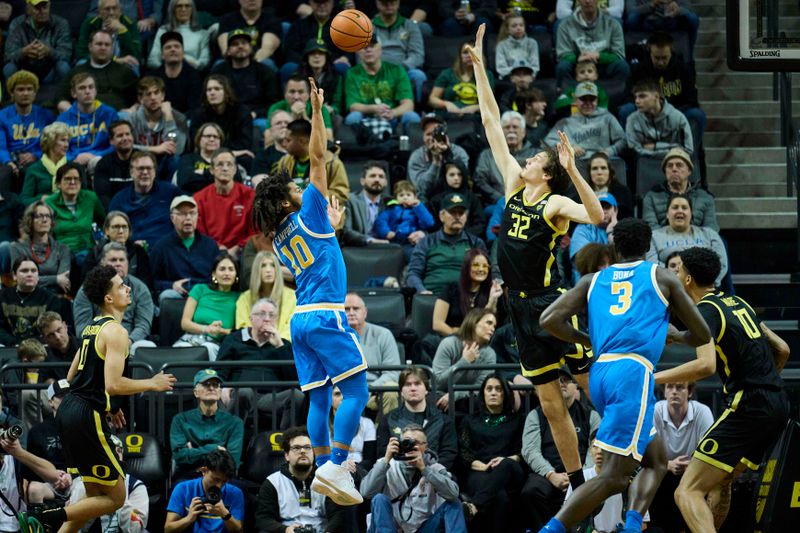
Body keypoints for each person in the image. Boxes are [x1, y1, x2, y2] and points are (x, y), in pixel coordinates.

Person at [468, 23, 603, 491]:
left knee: (592, 391)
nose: (525, 160)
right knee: (550, 406)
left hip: (553, 303)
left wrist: (573, 169)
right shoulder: (513, 186)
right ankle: (579, 483)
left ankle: (631, 452)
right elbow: (490, 123)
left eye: (534, 162)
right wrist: (481, 70)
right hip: (521, 309)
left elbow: (597, 214)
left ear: (546, 175)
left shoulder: (553, 203)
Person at [536, 218, 711, 533]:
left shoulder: (592, 279)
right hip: (632, 372)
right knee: (614, 476)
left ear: (615, 247)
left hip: (600, 372)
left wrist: (589, 339)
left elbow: (549, 319)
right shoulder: (660, 276)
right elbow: (701, 333)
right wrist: (674, 335)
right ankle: (551, 530)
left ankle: (631, 525)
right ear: (648, 248)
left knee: (656, 458)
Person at [251, 79, 368, 506]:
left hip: (299, 318)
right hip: (325, 313)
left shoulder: (281, 233)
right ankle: (338, 464)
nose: (301, 187)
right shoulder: (309, 211)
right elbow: (318, 156)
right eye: (293, 188)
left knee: (319, 395)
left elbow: (320, 248)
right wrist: (318, 112)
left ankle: (321, 467)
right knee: (357, 393)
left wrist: (333, 227)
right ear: (285, 201)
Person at [654, 246, 791, 533]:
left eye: (678, 270)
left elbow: (705, 366)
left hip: (749, 404)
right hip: (777, 403)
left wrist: (654, 379)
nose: (675, 274)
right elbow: (782, 349)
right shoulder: (738, 302)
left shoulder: (703, 310)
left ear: (687, 279)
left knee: (686, 491)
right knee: (720, 480)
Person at [31, 265, 175, 532]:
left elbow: (73, 374)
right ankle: (47, 515)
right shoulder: (116, 332)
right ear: (108, 298)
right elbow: (113, 383)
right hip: (86, 416)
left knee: (93, 497)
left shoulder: (91, 327)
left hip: (71, 410)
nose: (128, 287)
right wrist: (152, 383)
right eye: (121, 285)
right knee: (115, 498)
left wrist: (108, 406)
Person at [521, 368, 601, 531]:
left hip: (582, 473)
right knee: (531, 491)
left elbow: (596, 448)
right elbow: (530, 450)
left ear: (576, 386)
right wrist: (550, 474)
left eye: (566, 380)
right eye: (557, 380)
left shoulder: (591, 415)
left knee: (590, 488)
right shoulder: (535, 415)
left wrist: (582, 474)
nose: (561, 383)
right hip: (549, 474)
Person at [360, 422, 466, 532]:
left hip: (423, 528)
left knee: (454, 503)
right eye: (406, 442)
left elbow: (453, 494)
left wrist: (425, 470)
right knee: (379, 499)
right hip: (392, 527)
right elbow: (366, 493)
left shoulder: (435, 468)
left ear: (425, 447)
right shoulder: (386, 464)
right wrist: (386, 459)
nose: (410, 446)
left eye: (416, 443)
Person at [256, 426, 357, 533]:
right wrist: (285, 530)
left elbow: (338, 514)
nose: (303, 451)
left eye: (308, 447)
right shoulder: (273, 482)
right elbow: (263, 518)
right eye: (296, 448)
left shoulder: (327, 479)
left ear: (314, 453)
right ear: (286, 455)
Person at [458, 373, 526, 527]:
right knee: (499, 497)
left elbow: (524, 452)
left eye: (498, 389)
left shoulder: (518, 420)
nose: (494, 392)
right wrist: (484, 467)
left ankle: (473, 506)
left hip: (511, 471)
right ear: (483, 394)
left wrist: (505, 461)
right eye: (489, 389)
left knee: (506, 464)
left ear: (505, 394)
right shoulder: (470, 421)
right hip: (479, 470)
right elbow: (464, 453)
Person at [217, 298, 303, 421]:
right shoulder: (234, 339)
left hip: (271, 398)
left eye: (272, 315)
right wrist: (223, 386)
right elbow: (220, 370)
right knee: (244, 392)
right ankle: (232, 437)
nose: (267, 319)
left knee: (297, 396)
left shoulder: (284, 345)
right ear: (251, 318)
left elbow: (294, 379)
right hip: (240, 394)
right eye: (262, 314)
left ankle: (287, 439)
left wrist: (279, 346)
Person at [648, 381, 714, 533]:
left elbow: (710, 455)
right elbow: (646, 453)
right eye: (669, 387)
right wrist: (668, 465)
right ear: (664, 393)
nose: (674, 392)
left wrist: (692, 465)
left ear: (689, 392)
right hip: (662, 471)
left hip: (694, 471)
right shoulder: (656, 411)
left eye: (680, 387)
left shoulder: (702, 412)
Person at [621, 31, 705, 149]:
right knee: (626, 110)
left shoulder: (684, 69)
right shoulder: (639, 70)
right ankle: (633, 157)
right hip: (645, 114)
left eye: (664, 58)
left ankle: (689, 153)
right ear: (650, 51)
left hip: (675, 113)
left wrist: (670, 113)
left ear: (671, 51)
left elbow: (691, 100)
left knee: (697, 114)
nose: (660, 62)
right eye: (657, 58)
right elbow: (628, 96)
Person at [73, 242, 155, 355]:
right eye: (113, 260)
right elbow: (82, 327)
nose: (118, 264)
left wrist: (128, 341)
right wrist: (104, 342)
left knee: (147, 347)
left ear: (128, 264)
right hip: (99, 343)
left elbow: (143, 325)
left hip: (131, 342)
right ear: (102, 263)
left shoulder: (140, 288)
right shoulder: (87, 289)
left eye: (122, 260)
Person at [563, 433, 652, 532]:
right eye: (595, 447)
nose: (599, 452)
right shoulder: (581, 478)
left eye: (603, 447)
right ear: (590, 450)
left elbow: (643, 523)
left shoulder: (630, 480)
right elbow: (568, 517)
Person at [425, 249, 502, 362]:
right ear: (466, 267)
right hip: (452, 339)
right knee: (426, 343)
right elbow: (437, 324)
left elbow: (488, 324)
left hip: (481, 342)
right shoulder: (451, 289)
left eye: (485, 266)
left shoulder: (492, 292)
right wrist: (463, 335)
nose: (481, 269)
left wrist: (492, 301)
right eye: (476, 265)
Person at [405, 192, 488, 296]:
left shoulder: (476, 243)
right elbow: (413, 273)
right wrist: (421, 291)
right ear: (441, 216)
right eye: (452, 212)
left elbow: (486, 273)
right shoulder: (426, 242)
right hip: (432, 296)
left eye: (461, 213)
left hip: (466, 298)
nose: (457, 217)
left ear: (466, 217)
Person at [169, 369, 245, 480]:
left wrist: (193, 452)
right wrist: (215, 449)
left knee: (239, 491)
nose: (211, 388)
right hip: (189, 477)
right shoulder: (180, 420)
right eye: (206, 384)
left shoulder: (234, 422)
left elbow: (233, 462)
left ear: (220, 392)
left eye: (215, 385)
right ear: (196, 392)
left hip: (222, 477)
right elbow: (180, 456)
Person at [377, 367, 458, 470]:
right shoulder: (388, 420)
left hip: (433, 476)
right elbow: (381, 454)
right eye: (408, 384)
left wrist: (427, 471)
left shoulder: (444, 421)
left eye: (417, 384)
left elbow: (448, 455)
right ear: (401, 391)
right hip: (398, 475)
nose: (413, 388)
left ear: (426, 390)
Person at [66, 432, 148, 532]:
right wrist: (92, 500)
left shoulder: (135, 486)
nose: (113, 459)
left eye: (117, 452)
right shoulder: (82, 485)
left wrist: (118, 495)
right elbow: (75, 529)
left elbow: (136, 530)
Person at [343, 36, 421, 134]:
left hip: (393, 118)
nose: (368, 50)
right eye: (364, 47)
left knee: (412, 116)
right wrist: (374, 108)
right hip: (366, 119)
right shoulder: (352, 73)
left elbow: (408, 104)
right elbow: (353, 106)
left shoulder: (396, 70)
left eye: (372, 46)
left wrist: (392, 113)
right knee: (352, 117)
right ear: (358, 52)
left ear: (380, 49)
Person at [149, 195, 219, 304]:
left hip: (204, 293)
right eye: (182, 214)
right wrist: (171, 285)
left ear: (197, 216)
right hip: (177, 294)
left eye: (192, 213)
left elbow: (216, 276)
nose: (188, 218)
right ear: (172, 218)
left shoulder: (210, 245)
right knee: (166, 295)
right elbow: (153, 282)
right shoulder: (161, 247)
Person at [647, 194, 728, 286]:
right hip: (667, 288)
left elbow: (721, 264)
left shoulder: (710, 234)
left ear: (691, 213)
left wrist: (702, 285)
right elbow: (652, 267)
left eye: (684, 208)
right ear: (667, 214)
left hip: (702, 288)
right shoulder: (654, 236)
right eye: (675, 207)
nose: (680, 210)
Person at [344, 292, 402, 414]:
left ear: (365, 312)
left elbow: (392, 374)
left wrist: (367, 389)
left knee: (391, 389)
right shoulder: (331, 337)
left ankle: (385, 431)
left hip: (375, 391)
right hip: (344, 391)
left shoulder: (383, 335)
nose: (351, 313)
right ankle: (337, 433)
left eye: (356, 308)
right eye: (346, 309)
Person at [174, 253, 240, 361]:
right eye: (222, 269)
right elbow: (185, 323)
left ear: (236, 274)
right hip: (190, 340)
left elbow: (240, 332)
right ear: (214, 274)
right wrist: (207, 329)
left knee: (208, 348)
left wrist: (222, 331)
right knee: (180, 352)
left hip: (218, 345)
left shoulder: (240, 298)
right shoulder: (199, 289)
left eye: (231, 269)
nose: (226, 273)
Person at [108, 151, 181, 248]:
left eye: (149, 168)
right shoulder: (119, 200)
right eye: (140, 168)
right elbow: (113, 232)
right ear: (131, 172)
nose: (145, 172)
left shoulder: (171, 192)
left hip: (164, 251)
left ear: (155, 172)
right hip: (131, 253)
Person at [193, 148, 255, 259]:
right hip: (210, 251)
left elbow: (255, 231)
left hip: (242, 252)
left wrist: (237, 248)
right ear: (212, 169)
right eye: (220, 164)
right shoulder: (199, 199)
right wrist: (218, 248)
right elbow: (199, 233)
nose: (225, 168)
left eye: (229, 164)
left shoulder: (250, 195)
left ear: (235, 169)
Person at [431, 308, 497, 412]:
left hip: (467, 398)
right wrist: (465, 361)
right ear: (474, 322)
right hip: (441, 394)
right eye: (489, 323)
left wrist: (455, 394)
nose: (493, 329)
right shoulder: (449, 344)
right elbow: (438, 383)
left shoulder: (490, 354)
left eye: (494, 326)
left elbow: (481, 387)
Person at [57, 29, 138, 113]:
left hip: (118, 119)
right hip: (85, 119)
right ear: (90, 46)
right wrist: (75, 114)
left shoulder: (125, 72)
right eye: (99, 44)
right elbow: (61, 99)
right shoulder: (77, 72)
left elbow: (140, 99)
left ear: (112, 49)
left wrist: (130, 111)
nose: (103, 48)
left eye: (107, 45)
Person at [273, 119, 349, 208]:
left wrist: (310, 197)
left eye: (288, 140)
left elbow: (342, 194)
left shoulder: (332, 163)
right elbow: (278, 189)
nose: (284, 143)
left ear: (302, 141)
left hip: (323, 214)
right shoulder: (284, 161)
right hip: (294, 214)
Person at [165, 448, 245, 532]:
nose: (219, 486)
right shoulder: (183, 489)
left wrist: (225, 514)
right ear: (204, 471)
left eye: (224, 481)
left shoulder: (236, 493)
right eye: (216, 480)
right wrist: (189, 518)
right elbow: (168, 529)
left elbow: (239, 530)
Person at [211, 29, 280, 125]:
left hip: (255, 117)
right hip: (225, 115)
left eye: (244, 43)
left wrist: (256, 113)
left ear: (251, 48)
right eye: (235, 44)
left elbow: (273, 104)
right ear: (228, 51)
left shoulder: (265, 72)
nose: (240, 46)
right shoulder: (219, 71)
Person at [554, 0, 629, 89]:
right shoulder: (565, 25)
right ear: (578, 1)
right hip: (578, 65)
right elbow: (563, 55)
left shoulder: (613, 24)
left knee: (622, 66)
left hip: (603, 65)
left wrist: (599, 56)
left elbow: (618, 54)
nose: (587, 1)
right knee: (562, 67)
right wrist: (578, 58)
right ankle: (568, 98)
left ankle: (617, 97)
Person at [0, 71, 53, 193]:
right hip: (10, 160)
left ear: (35, 93)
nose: (25, 93)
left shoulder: (46, 116)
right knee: (4, 174)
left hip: (36, 160)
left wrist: (36, 155)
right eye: (20, 89)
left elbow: (51, 144)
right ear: (12, 92)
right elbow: (1, 146)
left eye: (30, 89)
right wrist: (8, 162)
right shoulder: (2, 116)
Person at [543, 81, 626, 160]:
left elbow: (622, 140)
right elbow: (547, 143)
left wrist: (609, 151)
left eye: (592, 99)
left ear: (597, 100)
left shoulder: (607, 118)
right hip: (574, 164)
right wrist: (569, 148)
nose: (588, 103)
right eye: (583, 99)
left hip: (601, 164)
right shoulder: (564, 123)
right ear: (575, 100)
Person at [473, 110, 539, 207]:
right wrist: (502, 199)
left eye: (515, 127)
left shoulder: (536, 155)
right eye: (507, 127)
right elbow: (480, 181)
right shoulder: (487, 155)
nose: (511, 130)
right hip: (496, 205)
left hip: (530, 205)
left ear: (523, 132)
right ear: (500, 131)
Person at [643, 147, 719, 231]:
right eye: (670, 166)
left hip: (697, 242)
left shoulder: (705, 197)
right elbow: (650, 228)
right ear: (665, 171)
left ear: (689, 171)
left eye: (679, 165)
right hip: (663, 242)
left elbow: (711, 229)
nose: (674, 169)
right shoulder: (651, 197)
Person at [127, 76, 188, 179]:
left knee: (175, 160)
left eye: (156, 93)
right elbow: (127, 147)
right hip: (140, 163)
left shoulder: (178, 118)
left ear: (163, 95)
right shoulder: (132, 119)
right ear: (141, 99)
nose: (153, 97)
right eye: (148, 94)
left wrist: (169, 118)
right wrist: (154, 149)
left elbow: (176, 149)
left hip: (165, 164)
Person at [187, 75, 254, 165]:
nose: (212, 93)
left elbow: (244, 143)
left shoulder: (241, 112)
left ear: (227, 92)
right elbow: (196, 140)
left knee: (246, 159)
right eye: (209, 90)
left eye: (217, 89)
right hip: (205, 155)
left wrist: (224, 151)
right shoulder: (199, 114)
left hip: (234, 155)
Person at [45, 163, 106, 263]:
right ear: (58, 184)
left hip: (87, 251)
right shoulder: (49, 203)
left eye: (76, 179)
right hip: (60, 252)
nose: (72, 182)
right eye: (67, 179)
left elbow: (103, 222)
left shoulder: (91, 198)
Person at [26, 379, 73, 505]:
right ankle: (41, 525)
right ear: (51, 402)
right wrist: (52, 477)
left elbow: (89, 462)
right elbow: (32, 468)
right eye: (62, 397)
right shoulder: (37, 431)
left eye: (71, 397)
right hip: (49, 482)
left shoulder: (85, 427)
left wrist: (71, 476)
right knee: (34, 489)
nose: (68, 401)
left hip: (78, 480)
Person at [56, 73, 119, 166]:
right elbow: (57, 148)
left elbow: (116, 144)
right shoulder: (63, 119)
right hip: (73, 162)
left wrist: (95, 156)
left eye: (91, 87)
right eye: (82, 88)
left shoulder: (109, 113)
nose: (87, 91)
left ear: (96, 91)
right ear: (73, 93)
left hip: (103, 160)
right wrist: (74, 159)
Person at [9, 201, 72, 295]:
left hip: (54, 297)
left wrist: (37, 280)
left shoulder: (62, 249)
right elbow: (21, 280)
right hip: (27, 297)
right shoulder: (17, 248)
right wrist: (55, 279)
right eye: (40, 216)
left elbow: (64, 281)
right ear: (30, 220)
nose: (45, 219)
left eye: (48, 216)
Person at [3, 0, 71, 83]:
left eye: (45, 7)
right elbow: (8, 56)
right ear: (28, 9)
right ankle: (11, 96)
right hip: (24, 72)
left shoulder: (61, 24)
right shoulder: (17, 24)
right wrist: (24, 52)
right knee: (9, 68)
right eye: (37, 8)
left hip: (50, 71)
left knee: (63, 67)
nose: (42, 12)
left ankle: (62, 96)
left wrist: (49, 51)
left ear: (49, 7)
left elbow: (66, 55)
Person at [281, 0, 351, 81]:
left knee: (342, 67)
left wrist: (345, 57)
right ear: (310, 3)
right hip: (304, 66)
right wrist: (306, 63)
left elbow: (350, 49)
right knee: (288, 69)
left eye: (326, 2)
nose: (322, 6)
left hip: (332, 66)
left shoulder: (342, 26)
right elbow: (290, 50)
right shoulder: (299, 25)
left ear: (332, 3)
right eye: (318, 2)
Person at [373, 0, 427, 102]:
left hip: (404, 70)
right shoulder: (369, 26)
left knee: (418, 75)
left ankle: (418, 111)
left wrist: (402, 67)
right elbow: (362, 55)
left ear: (398, 3)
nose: (389, 4)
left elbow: (417, 54)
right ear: (377, 3)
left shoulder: (410, 25)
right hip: (377, 70)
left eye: (393, 1)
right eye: (385, 2)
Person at [406, 115, 470, 200]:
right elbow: (423, 189)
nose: (432, 138)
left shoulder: (459, 152)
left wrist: (447, 154)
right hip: (427, 199)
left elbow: (462, 182)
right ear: (423, 137)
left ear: (445, 135)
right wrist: (435, 162)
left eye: (436, 133)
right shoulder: (417, 156)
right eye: (428, 134)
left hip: (455, 197)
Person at [0, 258, 61, 346]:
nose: (29, 274)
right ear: (14, 275)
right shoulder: (2, 296)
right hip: (7, 347)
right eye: (24, 271)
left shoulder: (51, 299)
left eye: (33, 271)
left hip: (40, 348)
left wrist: (29, 345)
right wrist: (13, 343)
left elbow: (51, 328)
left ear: (38, 275)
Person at [626, 79, 694, 159]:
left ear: (656, 96)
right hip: (645, 165)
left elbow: (688, 150)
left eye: (642, 96)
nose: (637, 101)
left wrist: (655, 146)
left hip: (673, 164)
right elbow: (634, 151)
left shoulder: (678, 117)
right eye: (635, 97)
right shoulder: (632, 119)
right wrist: (672, 149)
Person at [235, 251, 296, 337]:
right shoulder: (244, 298)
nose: (268, 270)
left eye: (273, 265)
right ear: (256, 270)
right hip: (253, 347)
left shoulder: (292, 296)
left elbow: (292, 328)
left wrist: (275, 340)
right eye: (263, 266)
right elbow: (243, 329)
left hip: (282, 346)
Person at [81, 211, 151, 285]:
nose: (121, 231)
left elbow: (145, 281)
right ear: (106, 230)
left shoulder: (138, 251)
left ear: (129, 231)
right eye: (116, 227)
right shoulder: (96, 252)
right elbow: (86, 283)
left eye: (124, 227)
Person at [429, 40, 494, 117]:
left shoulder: (486, 75)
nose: (470, 55)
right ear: (460, 56)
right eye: (465, 52)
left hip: (477, 117)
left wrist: (475, 108)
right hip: (448, 114)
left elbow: (489, 103)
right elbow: (432, 99)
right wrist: (446, 104)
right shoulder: (447, 74)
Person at [374, 180, 435, 261]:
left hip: (410, 242)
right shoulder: (391, 209)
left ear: (415, 197)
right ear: (396, 198)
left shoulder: (417, 210)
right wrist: (386, 232)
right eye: (401, 195)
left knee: (415, 257)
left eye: (408, 195)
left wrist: (418, 206)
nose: (405, 197)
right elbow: (380, 221)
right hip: (393, 240)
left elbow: (428, 223)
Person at [177, 123, 242, 194]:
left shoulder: (228, 160)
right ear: (199, 139)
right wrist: (219, 177)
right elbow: (184, 181)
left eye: (216, 137)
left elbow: (237, 181)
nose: (212, 139)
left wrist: (204, 172)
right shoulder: (188, 159)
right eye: (208, 136)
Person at [266, 75, 335, 142]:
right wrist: (292, 118)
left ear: (309, 95)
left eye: (301, 92)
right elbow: (268, 141)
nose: (296, 97)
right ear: (285, 94)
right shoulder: (276, 108)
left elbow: (329, 139)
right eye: (292, 92)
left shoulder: (319, 108)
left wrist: (305, 119)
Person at [76, 0, 142, 71]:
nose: (111, 13)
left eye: (114, 8)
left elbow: (135, 55)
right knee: (81, 63)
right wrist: (115, 60)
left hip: (122, 64)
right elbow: (82, 53)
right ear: (99, 12)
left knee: (133, 65)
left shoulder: (130, 24)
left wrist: (122, 31)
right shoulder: (89, 24)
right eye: (107, 9)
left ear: (120, 10)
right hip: (96, 61)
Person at [426, 161, 485, 238]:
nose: (456, 178)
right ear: (445, 176)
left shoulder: (472, 198)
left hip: (469, 239)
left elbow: (480, 223)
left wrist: (465, 236)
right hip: (442, 240)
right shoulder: (436, 200)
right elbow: (432, 224)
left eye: (459, 174)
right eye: (452, 175)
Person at [217, 0, 281, 71]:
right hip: (233, 62)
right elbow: (226, 49)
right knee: (219, 64)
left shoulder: (272, 20)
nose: (252, 0)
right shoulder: (226, 20)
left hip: (260, 64)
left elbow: (266, 50)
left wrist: (248, 67)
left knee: (267, 63)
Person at [147, 0, 211, 71]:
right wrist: (169, 69)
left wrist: (186, 61)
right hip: (165, 74)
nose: (183, 9)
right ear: (172, 9)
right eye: (179, 6)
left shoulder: (202, 33)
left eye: (187, 6)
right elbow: (152, 60)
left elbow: (204, 62)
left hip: (192, 74)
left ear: (192, 9)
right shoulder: (163, 31)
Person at [569, 192, 618, 283]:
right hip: (587, 283)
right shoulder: (582, 230)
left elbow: (625, 262)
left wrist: (611, 233)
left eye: (607, 207)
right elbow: (584, 261)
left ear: (615, 210)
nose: (603, 210)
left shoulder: (623, 231)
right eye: (599, 207)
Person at [341, 160, 391, 246]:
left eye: (381, 176)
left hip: (386, 248)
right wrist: (369, 240)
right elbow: (346, 230)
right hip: (358, 248)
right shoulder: (350, 200)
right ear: (362, 181)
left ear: (386, 182)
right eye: (372, 176)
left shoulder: (391, 202)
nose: (377, 179)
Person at [19, 121, 69, 207]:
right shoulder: (34, 169)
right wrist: (40, 199)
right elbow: (23, 200)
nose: (67, 145)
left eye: (68, 141)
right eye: (63, 140)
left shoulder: (72, 168)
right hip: (43, 213)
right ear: (51, 141)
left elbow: (83, 196)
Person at [152, 31, 203, 114]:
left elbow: (195, 108)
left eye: (177, 46)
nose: (173, 49)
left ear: (183, 53)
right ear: (162, 54)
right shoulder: (153, 77)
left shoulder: (194, 76)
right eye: (168, 47)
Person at [625, 0, 699, 56]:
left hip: (672, 21)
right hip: (647, 21)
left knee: (693, 19)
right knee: (632, 18)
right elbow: (631, 9)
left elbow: (687, 7)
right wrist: (651, 5)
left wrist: (678, 10)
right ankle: (630, 54)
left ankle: (689, 58)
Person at [577, 151, 633, 219]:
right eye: (595, 168)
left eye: (603, 168)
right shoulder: (580, 194)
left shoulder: (623, 192)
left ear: (610, 172)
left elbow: (627, 220)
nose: (599, 172)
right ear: (589, 173)